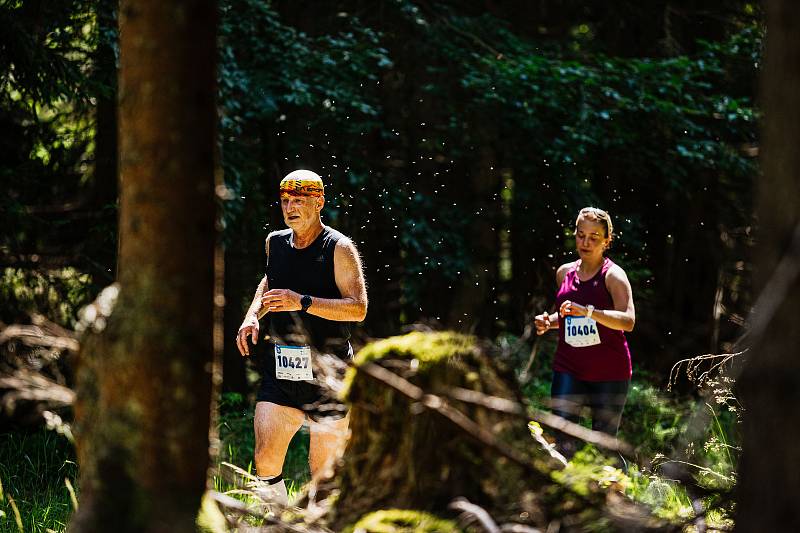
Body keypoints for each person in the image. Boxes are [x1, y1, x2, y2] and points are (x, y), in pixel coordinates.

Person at [236, 169, 368, 505]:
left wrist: (303, 302)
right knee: (265, 459)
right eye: (285, 201)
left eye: (299, 200)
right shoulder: (275, 242)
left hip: (330, 372)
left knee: (322, 476)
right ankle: (277, 522)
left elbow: (357, 308)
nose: (290, 207)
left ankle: (317, 525)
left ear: (319, 202)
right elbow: (269, 281)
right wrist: (253, 315)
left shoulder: (339, 248)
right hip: (282, 367)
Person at [534, 207, 635, 454]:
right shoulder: (564, 273)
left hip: (609, 371)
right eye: (580, 235)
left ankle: (615, 491)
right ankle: (563, 490)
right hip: (568, 366)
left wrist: (589, 311)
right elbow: (570, 315)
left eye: (594, 237)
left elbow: (628, 321)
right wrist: (550, 322)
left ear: (606, 241)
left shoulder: (613, 276)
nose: (585, 242)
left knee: (604, 449)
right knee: (562, 440)